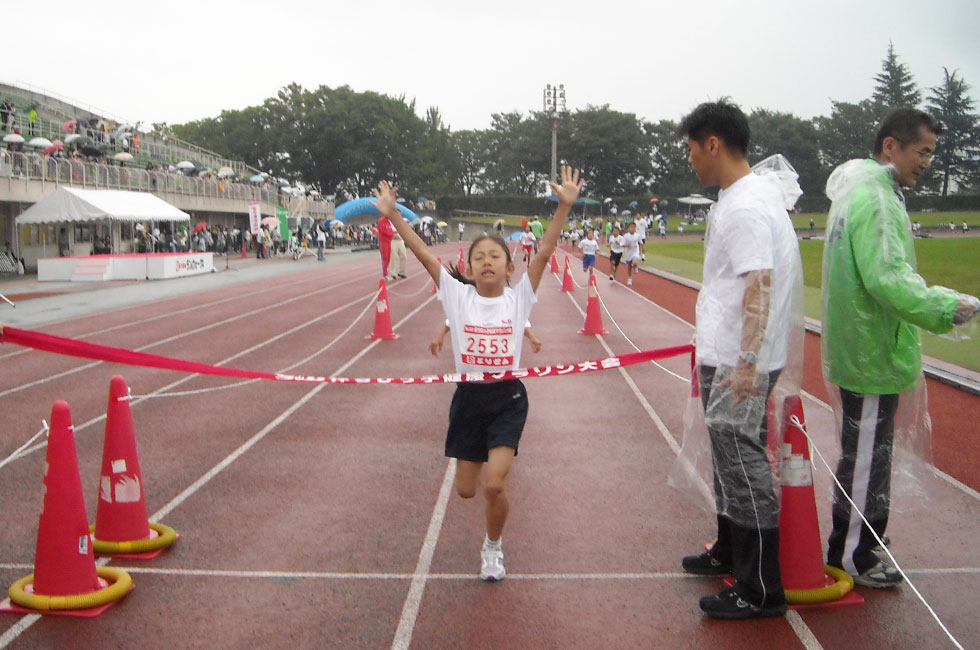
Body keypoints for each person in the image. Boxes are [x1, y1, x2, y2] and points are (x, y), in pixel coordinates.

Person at [373, 165, 583, 582]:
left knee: (494, 486)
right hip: (468, 399)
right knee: (467, 490)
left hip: (507, 399)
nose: (486, 262)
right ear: (468, 269)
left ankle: (493, 547)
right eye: (479, 258)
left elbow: (542, 253)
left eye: (495, 257)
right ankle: (486, 502)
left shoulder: (521, 298)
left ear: (509, 268)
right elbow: (423, 254)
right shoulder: (456, 295)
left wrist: (563, 206)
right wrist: (394, 216)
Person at [821, 107, 980, 588]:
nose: (927, 162)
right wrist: (946, 304)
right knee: (867, 457)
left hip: (865, 347)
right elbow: (887, 278)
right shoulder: (877, 197)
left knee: (867, 454)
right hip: (871, 352)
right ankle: (852, 554)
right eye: (922, 151)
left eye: (932, 153)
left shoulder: (861, 188)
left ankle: (863, 537)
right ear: (891, 146)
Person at [676, 99, 802, 620]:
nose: (689, 160)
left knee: (744, 462)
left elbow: (759, 284)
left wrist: (748, 361)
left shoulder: (747, 206)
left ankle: (759, 588)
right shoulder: (740, 196)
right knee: (729, 459)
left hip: (738, 357)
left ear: (713, 144)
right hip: (728, 351)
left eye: (690, 149)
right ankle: (729, 549)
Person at [430, 320, 542, 357]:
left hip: (502, 372)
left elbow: (521, 321)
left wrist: (532, 337)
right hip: (473, 373)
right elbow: (452, 319)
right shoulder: (467, 301)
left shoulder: (511, 301)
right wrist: (440, 335)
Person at [621, 221, 641, 286]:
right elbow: (622, 244)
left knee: (635, 262)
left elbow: (640, 242)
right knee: (629, 267)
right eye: (631, 227)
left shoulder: (637, 235)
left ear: (635, 228)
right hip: (629, 253)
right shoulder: (626, 236)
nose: (632, 229)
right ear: (629, 228)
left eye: (633, 227)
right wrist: (627, 245)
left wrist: (642, 248)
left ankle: (635, 266)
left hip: (635, 252)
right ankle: (630, 278)